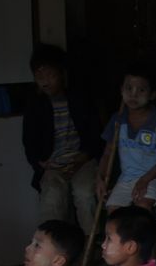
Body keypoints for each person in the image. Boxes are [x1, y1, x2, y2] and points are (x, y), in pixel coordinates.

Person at [22, 44, 103, 235]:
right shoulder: (35, 105)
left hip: (82, 161)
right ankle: (52, 247)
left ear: (62, 74)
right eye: (39, 77)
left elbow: (95, 135)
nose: (45, 82)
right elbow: (29, 140)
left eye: (50, 75)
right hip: (53, 166)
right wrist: (40, 163)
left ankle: (92, 245)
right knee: (52, 197)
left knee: (85, 195)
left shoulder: (79, 99)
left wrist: (84, 157)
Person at [96, 63, 156, 212]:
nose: (134, 94)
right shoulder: (117, 120)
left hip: (153, 178)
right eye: (128, 88)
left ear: (152, 94)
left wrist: (145, 180)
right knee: (113, 212)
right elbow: (107, 153)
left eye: (141, 90)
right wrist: (99, 178)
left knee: (142, 208)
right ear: (121, 90)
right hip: (126, 179)